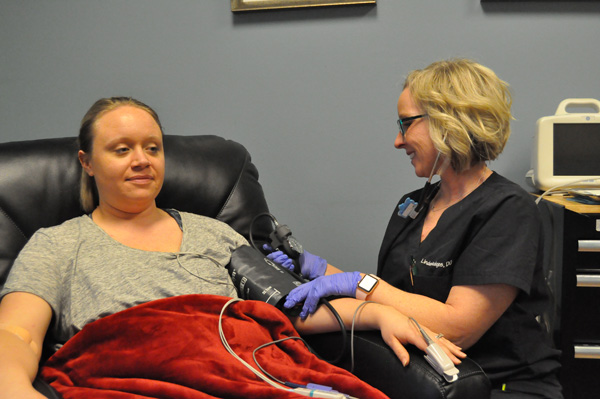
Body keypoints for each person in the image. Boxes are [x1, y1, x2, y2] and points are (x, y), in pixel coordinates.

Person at [0, 97, 463, 399]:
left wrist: (377, 312)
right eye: (121, 150)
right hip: (131, 376)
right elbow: (16, 335)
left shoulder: (212, 232)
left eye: (152, 148)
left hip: (244, 371)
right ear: (87, 162)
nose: (141, 160)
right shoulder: (58, 243)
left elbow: (285, 305)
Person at [266, 59, 563, 398]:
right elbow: (392, 298)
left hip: (498, 385)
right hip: (424, 379)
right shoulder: (413, 204)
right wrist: (317, 271)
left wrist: (356, 283)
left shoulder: (507, 209)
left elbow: (457, 329)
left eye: (406, 124)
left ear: (449, 121)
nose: (398, 140)